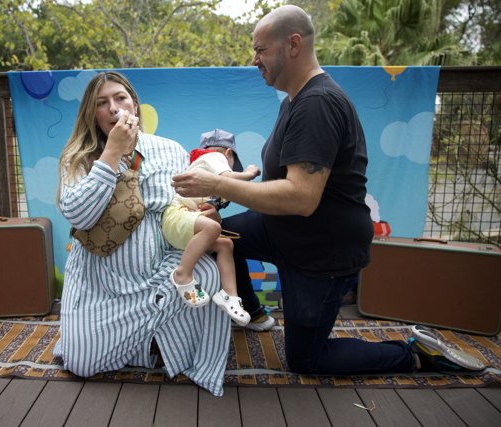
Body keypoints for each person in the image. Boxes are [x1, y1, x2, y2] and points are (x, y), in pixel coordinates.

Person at [171, 5, 485, 375]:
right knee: (218, 233)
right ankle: (255, 314)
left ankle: (413, 355)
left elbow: (301, 199)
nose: (254, 59)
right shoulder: (296, 98)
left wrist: (218, 183)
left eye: (260, 50)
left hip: (322, 249)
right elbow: (284, 188)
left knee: (307, 360)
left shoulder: (318, 103)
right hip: (286, 230)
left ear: (293, 44)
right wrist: (218, 201)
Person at [53, 71, 231, 397]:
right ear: (92, 114)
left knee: (206, 272)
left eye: (120, 98)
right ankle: (148, 345)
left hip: (161, 271)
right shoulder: (78, 157)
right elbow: (80, 213)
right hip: (101, 280)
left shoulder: (170, 150)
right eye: (102, 103)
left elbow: (182, 205)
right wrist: (112, 153)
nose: (113, 108)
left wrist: (205, 210)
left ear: (134, 105)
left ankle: (147, 341)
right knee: (80, 362)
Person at [163, 129, 260, 326]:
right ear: (228, 154)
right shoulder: (214, 157)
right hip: (176, 216)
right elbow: (227, 179)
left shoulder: (203, 168)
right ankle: (182, 273)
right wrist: (249, 173)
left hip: (188, 221)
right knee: (213, 230)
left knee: (225, 245)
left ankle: (230, 296)